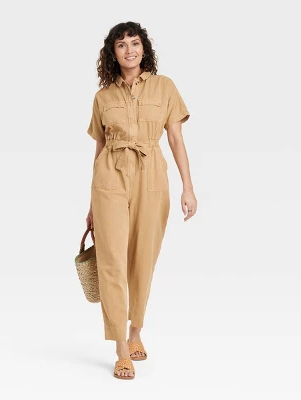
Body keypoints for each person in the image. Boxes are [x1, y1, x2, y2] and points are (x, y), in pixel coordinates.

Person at [85, 21, 198, 380]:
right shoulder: (103, 97)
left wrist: (188, 187)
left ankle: (136, 331)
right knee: (112, 262)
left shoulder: (165, 87)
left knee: (143, 259)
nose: (129, 50)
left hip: (152, 177)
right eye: (121, 45)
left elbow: (176, 139)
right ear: (113, 53)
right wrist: (92, 204)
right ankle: (121, 348)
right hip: (110, 179)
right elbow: (99, 148)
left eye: (135, 43)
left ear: (144, 49)